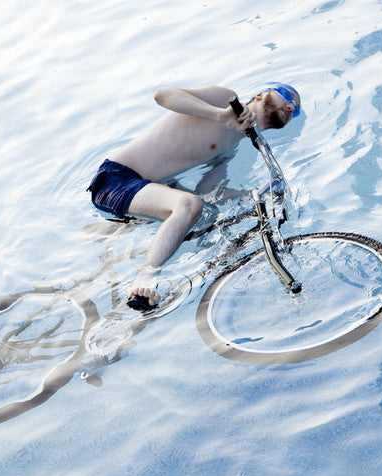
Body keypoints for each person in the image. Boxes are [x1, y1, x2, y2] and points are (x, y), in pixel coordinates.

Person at [88, 83, 301, 310]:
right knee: (189, 204)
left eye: (295, 109)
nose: (291, 106)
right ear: (260, 95)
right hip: (116, 178)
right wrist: (219, 115)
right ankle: (146, 275)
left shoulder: (233, 145)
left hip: (151, 188)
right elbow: (162, 95)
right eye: (288, 96)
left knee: (209, 215)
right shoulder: (224, 99)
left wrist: (253, 195)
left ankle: (176, 276)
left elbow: (210, 193)